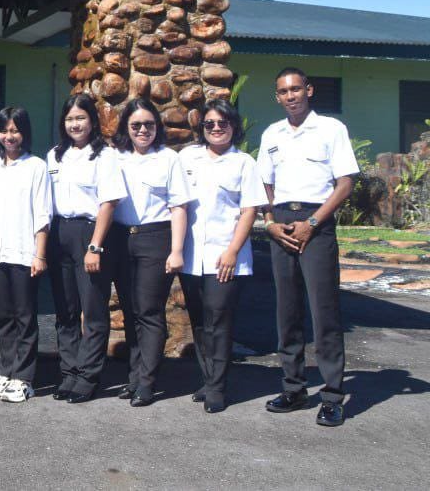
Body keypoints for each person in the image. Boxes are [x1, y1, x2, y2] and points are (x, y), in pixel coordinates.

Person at [258, 67, 358, 427]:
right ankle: (294, 388)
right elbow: (265, 185)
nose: (291, 96)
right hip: (282, 226)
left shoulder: (331, 129)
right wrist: (270, 223)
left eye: (296, 89)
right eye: (284, 91)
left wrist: (313, 223)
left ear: (309, 90)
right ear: (278, 97)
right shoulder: (272, 134)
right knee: (287, 313)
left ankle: (332, 396)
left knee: (324, 312)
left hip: (317, 225)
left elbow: (345, 183)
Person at [178, 99, 265, 414]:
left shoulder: (243, 163)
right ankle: (207, 378)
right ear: (202, 127)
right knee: (200, 321)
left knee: (219, 320)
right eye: (210, 123)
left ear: (233, 126)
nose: (216, 128)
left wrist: (231, 251)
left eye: (222, 123)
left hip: (226, 257)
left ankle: (218, 387)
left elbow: (249, 210)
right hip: (191, 255)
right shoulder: (187, 157)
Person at [108, 98, 190, 407]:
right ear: (126, 128)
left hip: (156, 237)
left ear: (157, 126)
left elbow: (179, 206)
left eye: (149, 125)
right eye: (136, 125)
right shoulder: (115, 157)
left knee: (149, 311)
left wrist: (177, 249)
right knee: (130, 311)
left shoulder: (168, 158)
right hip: (120, 238)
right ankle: (133, 376)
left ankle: (147, 381)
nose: (143, 130)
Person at [46, 92, 125, 404]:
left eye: (80, 118)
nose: (75, 124)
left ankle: (88, 375)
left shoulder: (105, 156)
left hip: (90, 233)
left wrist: (95, 246)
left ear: (92, 121)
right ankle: (69, 371)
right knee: (65, 309)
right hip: (59, 232)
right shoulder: (54, 155)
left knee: (92, 309)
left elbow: (108, 203)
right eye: (69, 119)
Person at [0, 106, 52, 404]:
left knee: (25, 316)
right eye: (4, 130)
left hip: (25, 253)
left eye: (15, 130)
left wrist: (40, 254)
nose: (10, 136)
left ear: (25, 133)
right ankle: (5, 371)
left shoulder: (36, 166)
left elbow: (43, 213)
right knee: (4, 317)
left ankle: (24, 377)